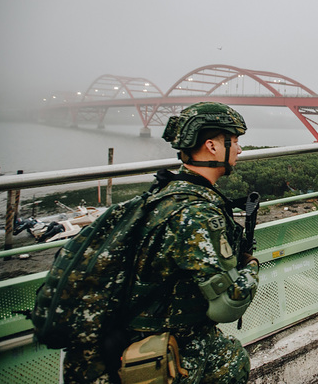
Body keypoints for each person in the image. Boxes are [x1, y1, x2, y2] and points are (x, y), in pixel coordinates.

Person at [63, 102, 259, 383]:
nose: (240, 149)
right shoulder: (197, 213)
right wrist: (251, 265)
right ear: (212, 147)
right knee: (232, 365)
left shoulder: (164, 192)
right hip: (160, 347)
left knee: (229, 356)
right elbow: (228, 304)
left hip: (126, 330)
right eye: (235, 141)